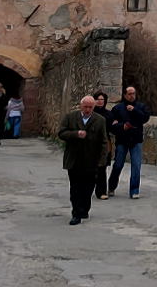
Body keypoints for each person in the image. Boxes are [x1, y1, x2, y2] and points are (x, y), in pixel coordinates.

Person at [57, 95, 108, 225]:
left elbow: (103, 141)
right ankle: (76, 213)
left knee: (88, 187)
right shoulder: (70, 117)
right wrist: (76, 134)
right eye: (85, 107)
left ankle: (85, 209)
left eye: (90, 107)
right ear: (81, 106)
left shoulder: (100, 120)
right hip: (74, 159)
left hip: (91, 160)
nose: (87, 109)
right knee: (75, 188)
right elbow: (61, 133)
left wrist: (102, 160)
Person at [108, 86, 150, 199]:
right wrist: (122, 126)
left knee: (136, 166)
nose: (132, 96)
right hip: (122, 140)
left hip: (136, 140)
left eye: (134, 93)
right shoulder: (117, 108)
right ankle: (111, 186)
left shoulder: (140, 106)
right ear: (125, 95)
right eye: (130, 94)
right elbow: (112, 126)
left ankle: (134, 190)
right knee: (118, 165)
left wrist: (135, 110)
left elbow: (145, 118)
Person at [92, 91, 113, 200]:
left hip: (104, 143)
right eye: (98, 99)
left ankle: (101, 191)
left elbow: (112, 128)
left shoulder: (109, 114)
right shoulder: (90, 113)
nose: (100, 102)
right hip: (91, 143)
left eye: (102, 100)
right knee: (91, 168)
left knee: (102, 167)